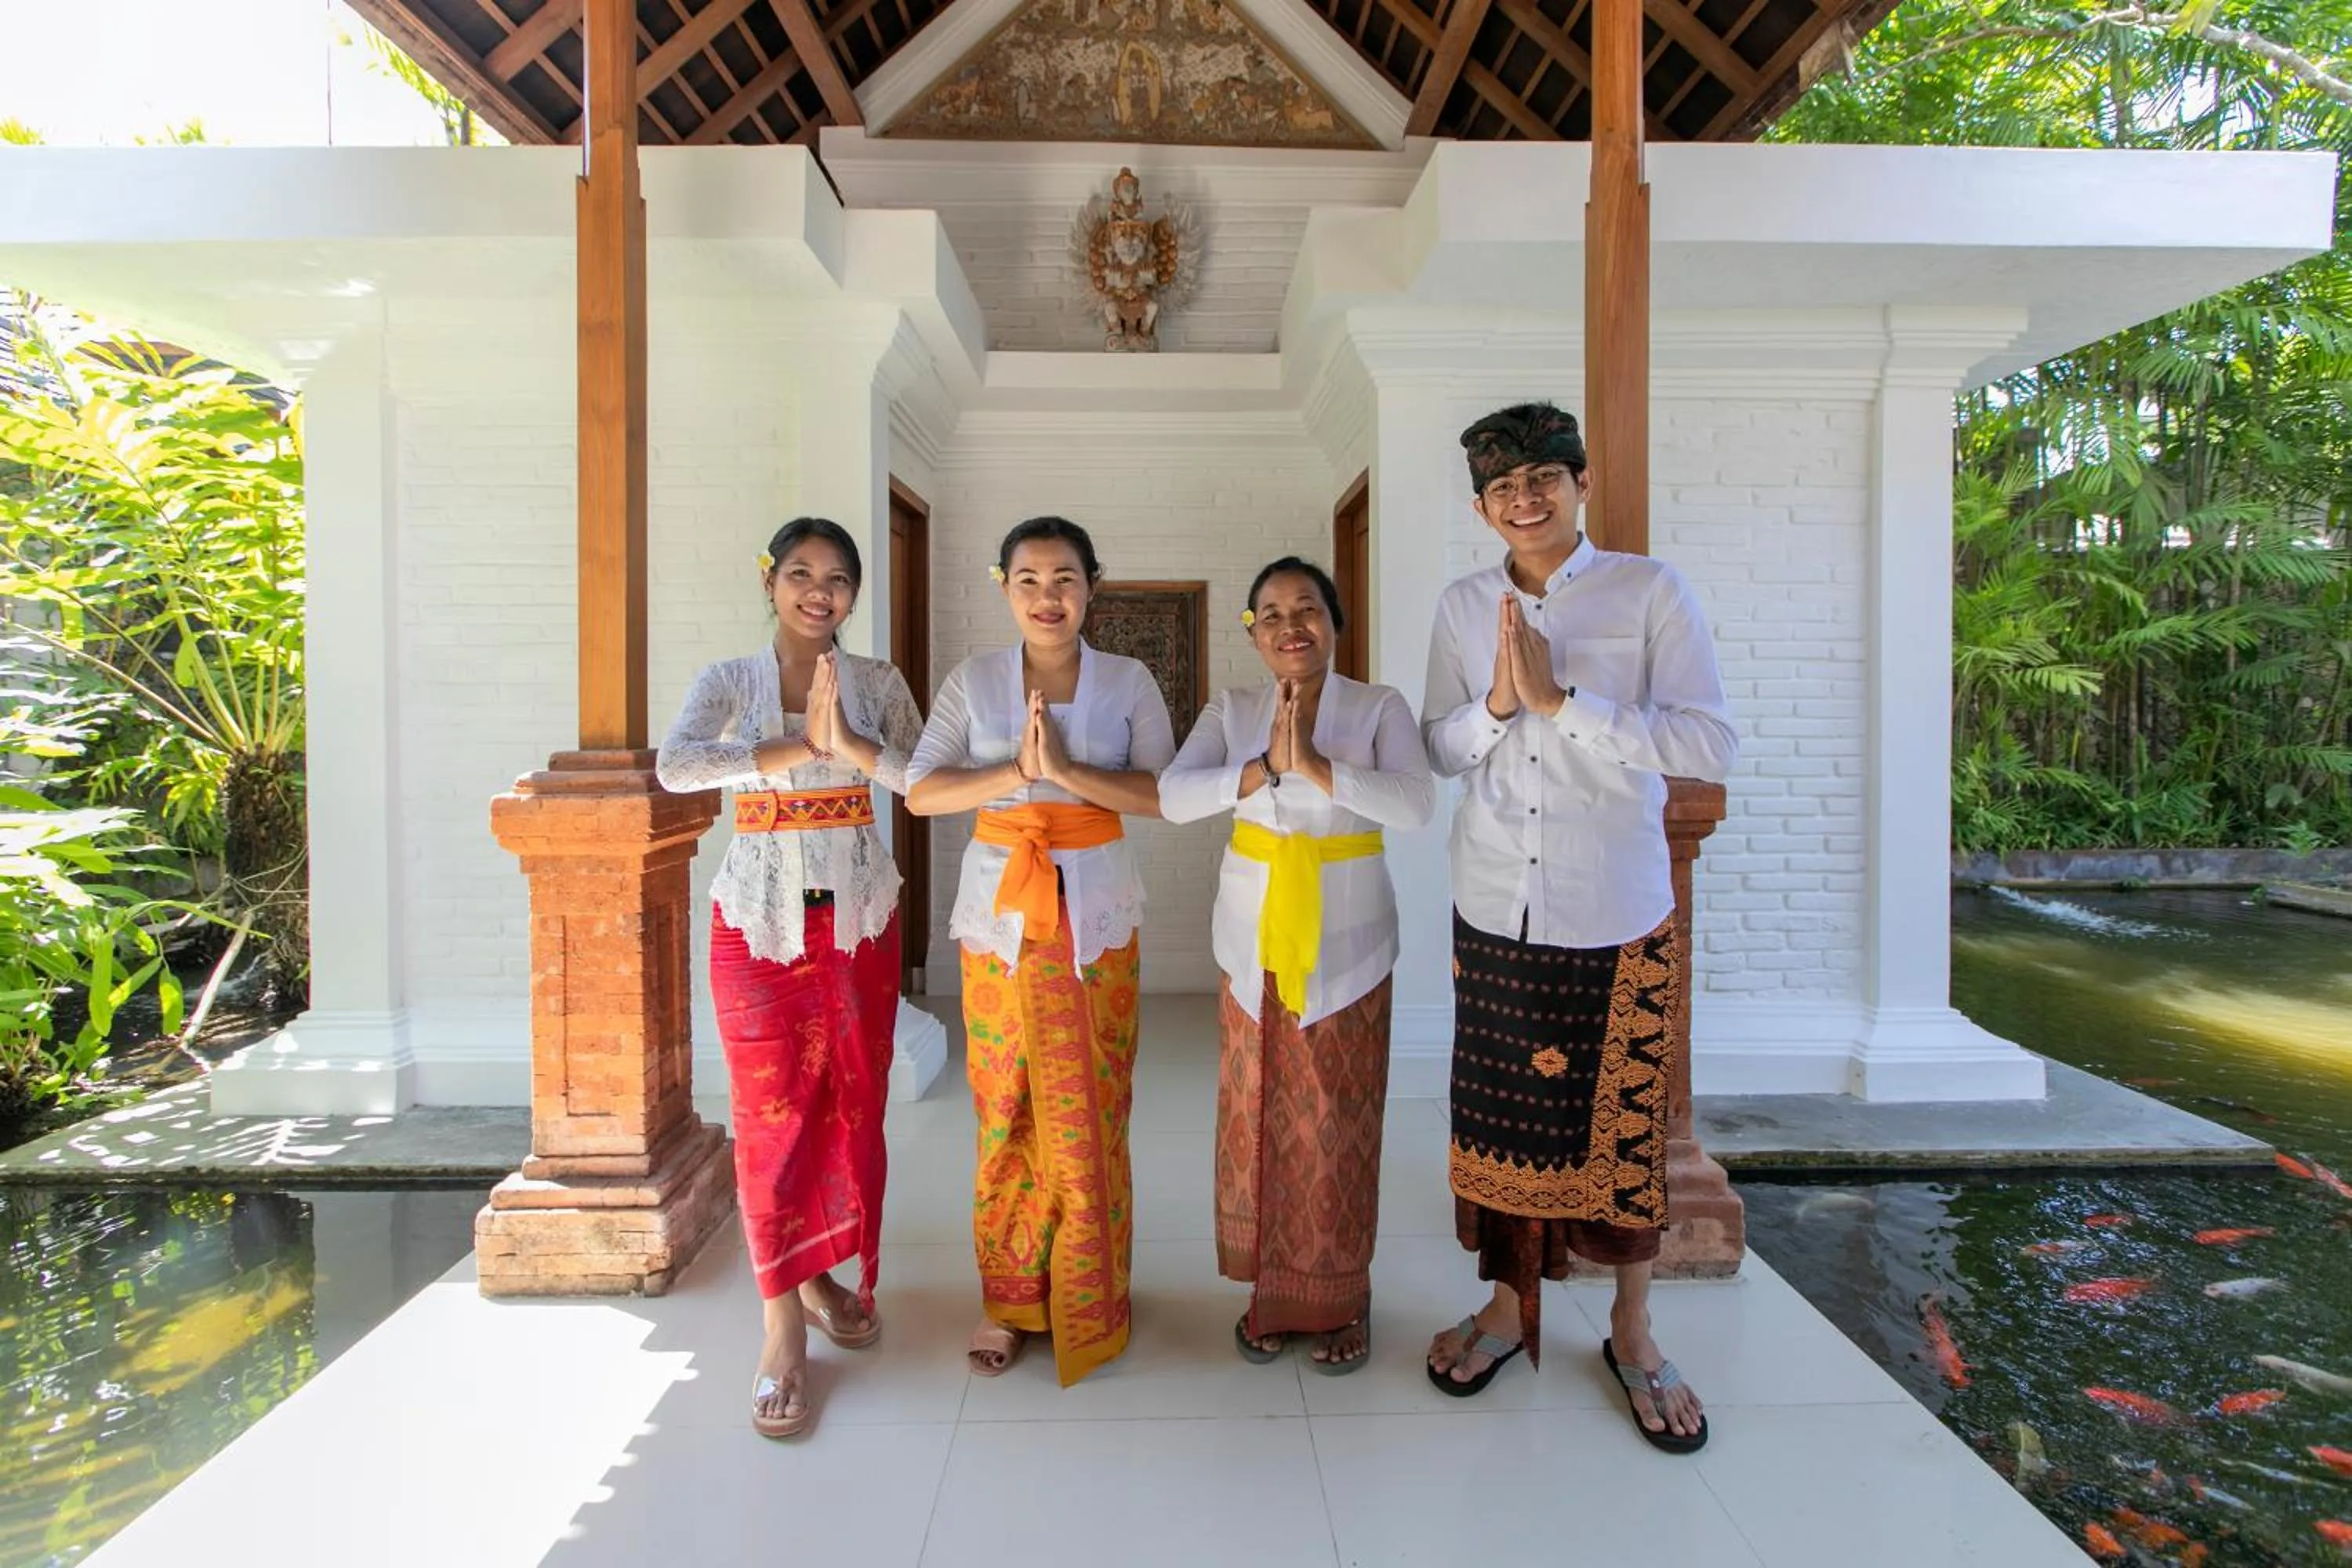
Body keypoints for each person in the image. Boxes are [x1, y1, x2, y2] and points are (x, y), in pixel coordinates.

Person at [1418, 402, 1737, 1453]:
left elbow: (1707, 742)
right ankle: (1511, 1311)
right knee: (1502, 1127)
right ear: (1480, 505)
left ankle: (1634, 1331)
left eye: (1545, 475)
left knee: (1627, 1139)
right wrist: (1502, 710)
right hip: (1495, 904)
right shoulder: (1463, 606)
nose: (1526, 496)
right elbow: (1439, 748)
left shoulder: (1650, 592)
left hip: (1615, 908)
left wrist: (1566, 703)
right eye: (1504, 485)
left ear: (1579, 483)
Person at [654, 517, 924, 1441]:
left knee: (850, 1102)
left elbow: (924, 779)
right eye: (801, 572)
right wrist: (780, 752)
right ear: (769, 579)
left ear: (855, 592)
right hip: (759, 922)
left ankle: (821, 1272)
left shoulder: (879, 681)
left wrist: (845, 740)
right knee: (772, 1115)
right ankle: (781, 1324)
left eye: (838, 578)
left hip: (857, 917)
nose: (820, 591)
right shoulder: (731, 680)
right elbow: (678, 763)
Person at [906, 517, 1175, 1387]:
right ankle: (1011, 1294)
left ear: (1093, 586)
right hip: (1000, 921)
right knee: (1007, 1100)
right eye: (1028, 579)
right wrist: (1016, 777)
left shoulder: (1129, 679)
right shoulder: (973, 681)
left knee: (1095, 1099)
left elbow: (1163, 794)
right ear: (1004, 587)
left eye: (1065, 578)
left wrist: (1065, 769)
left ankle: (1092, 1290)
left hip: (1097, 919)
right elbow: (920, 789)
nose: (1047, 596)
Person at [1160, 557, 1433, 1374]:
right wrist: (1261, 769)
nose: (1290, 626)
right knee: (1255, 1108)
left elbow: (1416, 804)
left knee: (1337, 1114)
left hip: (1350, 940)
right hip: (1251, 938)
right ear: (1253, 630)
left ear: (1335, 621)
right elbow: (1174, 796)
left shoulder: (1378, 706)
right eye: (1271, 613)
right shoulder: (1233, 707)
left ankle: (1344, 1295)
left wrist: (1316, 764)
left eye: (1307, 608)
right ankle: (1268, 1290)